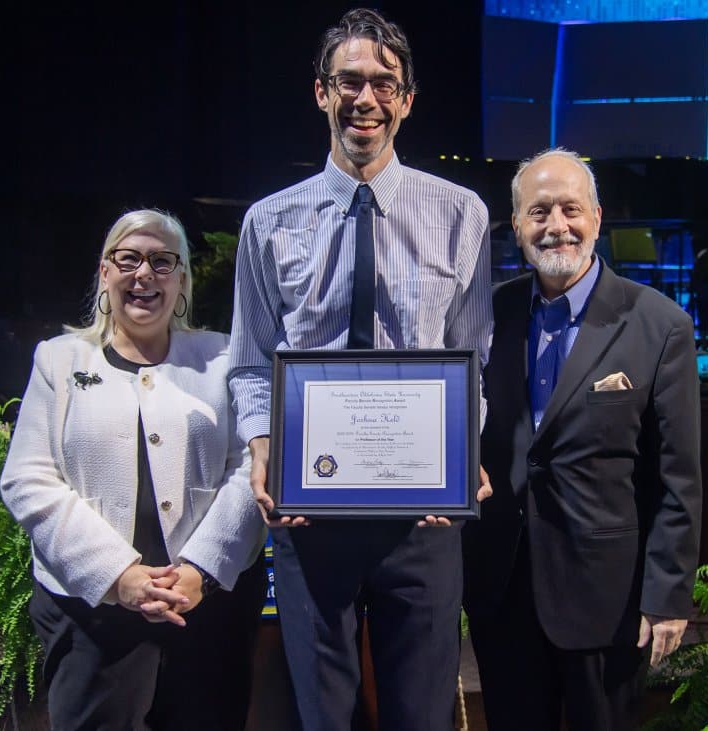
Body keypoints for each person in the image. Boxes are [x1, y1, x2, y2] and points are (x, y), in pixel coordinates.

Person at [226, 8, 492, 730]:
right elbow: (250, 363)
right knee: (323, 718)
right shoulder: (267, 221)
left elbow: (473, 363)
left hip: (424, 517)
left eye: (383, 83)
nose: (364, 98)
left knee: (423, 717)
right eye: (349, 81)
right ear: (322, 92)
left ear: (407, 100)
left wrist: (461, 448)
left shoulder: (462, 214)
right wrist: (263, 448)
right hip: (310, 513)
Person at [462, 149, 702, 730]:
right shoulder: (487, 316)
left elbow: (678, 477)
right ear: (515, 224)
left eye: (570, 209)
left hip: (608, 599)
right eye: (539, 212)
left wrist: (668, 594)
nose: (557, 226)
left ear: (596, 217)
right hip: (503, 590)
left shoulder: (659, 324)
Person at [0, 209, 267, 730]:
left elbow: (250, 465)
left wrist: (200, 571)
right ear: (105, 273)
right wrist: (117, 575)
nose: (144, 273)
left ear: (182, 280)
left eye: (162, 262)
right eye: (129, 259)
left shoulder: (223, 357)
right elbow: (27, 479)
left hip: (207, 612)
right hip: (90, 616)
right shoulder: (58, 360)